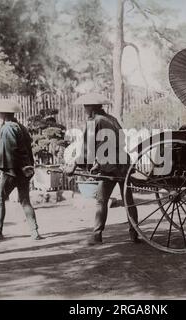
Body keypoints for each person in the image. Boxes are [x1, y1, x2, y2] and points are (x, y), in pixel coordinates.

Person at [64, 93, 140, 246]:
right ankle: (135, 234)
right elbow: (121, 140)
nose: (85, 109)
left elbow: (87, 149)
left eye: (86, 106)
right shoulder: (111, 119)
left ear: (92, 107)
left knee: (101, 200)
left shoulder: (94, 121)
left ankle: (97, 235)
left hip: (110, 166)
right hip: (123, 162)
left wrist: (75, 165)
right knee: (128, 200)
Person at [0, 99, 42, 241]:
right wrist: (27, 166)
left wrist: (4, 170)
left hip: (12, 170)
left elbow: (11, 150)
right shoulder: (20, 127)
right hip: (24, 170)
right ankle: (34, 231)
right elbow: (27, 148)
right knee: (25, 200)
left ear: (3, 113)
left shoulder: (7, 128)